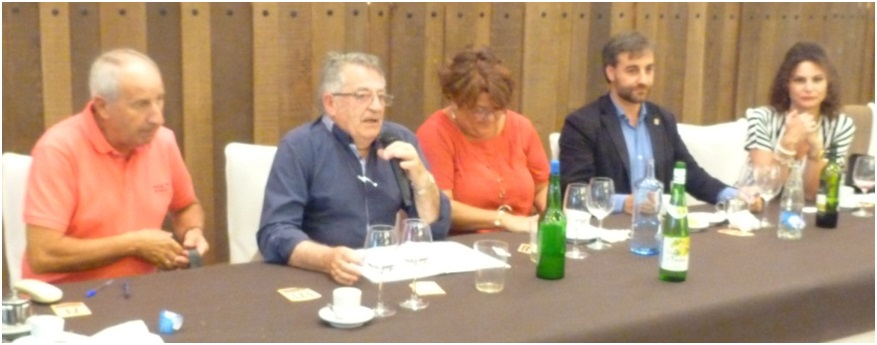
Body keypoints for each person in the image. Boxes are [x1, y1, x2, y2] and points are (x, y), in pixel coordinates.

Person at [258, 52, 451, 285]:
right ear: (331, 103)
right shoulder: (300, 147)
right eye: (363, 96)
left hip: (384, 276)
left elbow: (432, 229)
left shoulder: (399, 140)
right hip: (319, 276)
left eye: (381, 96)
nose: (377, 107)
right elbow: (275, 232)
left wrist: (423, 181)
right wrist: (327, 258)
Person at [23, 49, 209, 284]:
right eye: (141, 105)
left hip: (139, 290)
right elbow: (43, 254)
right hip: (65, 297)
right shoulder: (58, 150)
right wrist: (133, 245)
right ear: (102, 107)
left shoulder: (162, 140)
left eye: (159, 100)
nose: (157, 118)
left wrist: (193, 231)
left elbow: (186, 207)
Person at [560, 31, 737, 214]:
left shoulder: (663, 119)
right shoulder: (582, 124)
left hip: (658, 228)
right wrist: (624, 202)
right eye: (632, 70)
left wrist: (734, 196)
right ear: (611, 72)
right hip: (607, 230)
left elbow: (690, 174)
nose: (643, 80)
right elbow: (576, 191)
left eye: (649, 69)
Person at [417, 47, 549, 234]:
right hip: (465, 244)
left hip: (522, 238)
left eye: (498, 109)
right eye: (480, 110)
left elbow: (542, 187)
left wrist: (554, 216)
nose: (491, 118)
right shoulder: (435, 133)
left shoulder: (521, 126)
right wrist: (503, 220)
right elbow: (441, 206)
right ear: (454, 100)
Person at [744, 42, 855, 201]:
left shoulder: (841, 126)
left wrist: (816, 150)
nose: (809, 88)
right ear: (786, 84)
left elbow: (812, 194)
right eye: (799, 80)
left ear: (828, 84)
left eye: (817, 80)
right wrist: (788, 141)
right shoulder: (762, 118)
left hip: (807, 213)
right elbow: (766, 187)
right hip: (757, 208)